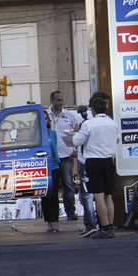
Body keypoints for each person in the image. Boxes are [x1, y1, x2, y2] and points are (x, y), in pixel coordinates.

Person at [70, 96, 119, 239]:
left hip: (94, 161)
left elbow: (76, 140)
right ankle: (110, 226)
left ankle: (104, 227)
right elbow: (117, 139)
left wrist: (77, 131)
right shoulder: (112, 123)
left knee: (98, 195)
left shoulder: (89, 124)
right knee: (108, 195)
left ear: (93, 110)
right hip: (109, 161)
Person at [76, 91, 109, 238]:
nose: (106, 106)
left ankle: (105, 225)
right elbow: (78, 140)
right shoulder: (87, 118)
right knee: (91, 195)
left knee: (102, 195)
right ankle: (92, 224)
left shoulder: (107, 120)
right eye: (105, 103)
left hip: (98, 159)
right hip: (89, 160)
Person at [46, 90, 80, 221]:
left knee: (68, 184)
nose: (60, 103)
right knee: (52, 186)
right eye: (58, 100)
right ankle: (52, 214)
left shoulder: (69, 115)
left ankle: (70, 211)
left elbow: (77, 132)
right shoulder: (46, 115)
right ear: (52, 101)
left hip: (66, 155)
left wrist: (76, 149)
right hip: (51, 157)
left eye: (61, 100)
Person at [41, 109, 61, 232]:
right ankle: (48, 220)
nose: (44, 120)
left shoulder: (52, 133)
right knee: (44, 195)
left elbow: (55, 148)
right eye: (42, 118)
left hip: (54, 166)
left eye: (46, 118)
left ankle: (55, 220)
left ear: (48, 120)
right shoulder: (36, 135)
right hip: (42, 167)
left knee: (54, 195)